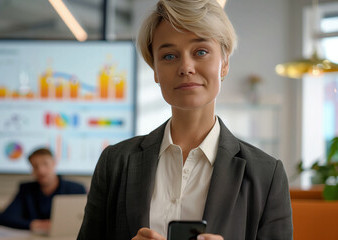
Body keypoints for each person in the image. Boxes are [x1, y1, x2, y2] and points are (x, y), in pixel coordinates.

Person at [78, 0, 293, 239]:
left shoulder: (266, 174)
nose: (186, 67)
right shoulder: (115, 163)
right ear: (156, 71)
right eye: (169, 56)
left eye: (201, 52)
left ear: (224, 64)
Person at [0, 148, 86, 233]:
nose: (41, 170)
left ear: (54, 163)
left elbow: (85, 221)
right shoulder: (26, 190)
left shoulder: (76, 189)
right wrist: (36, 224)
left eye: (45, 164)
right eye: (35, 166)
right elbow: (5, 218)